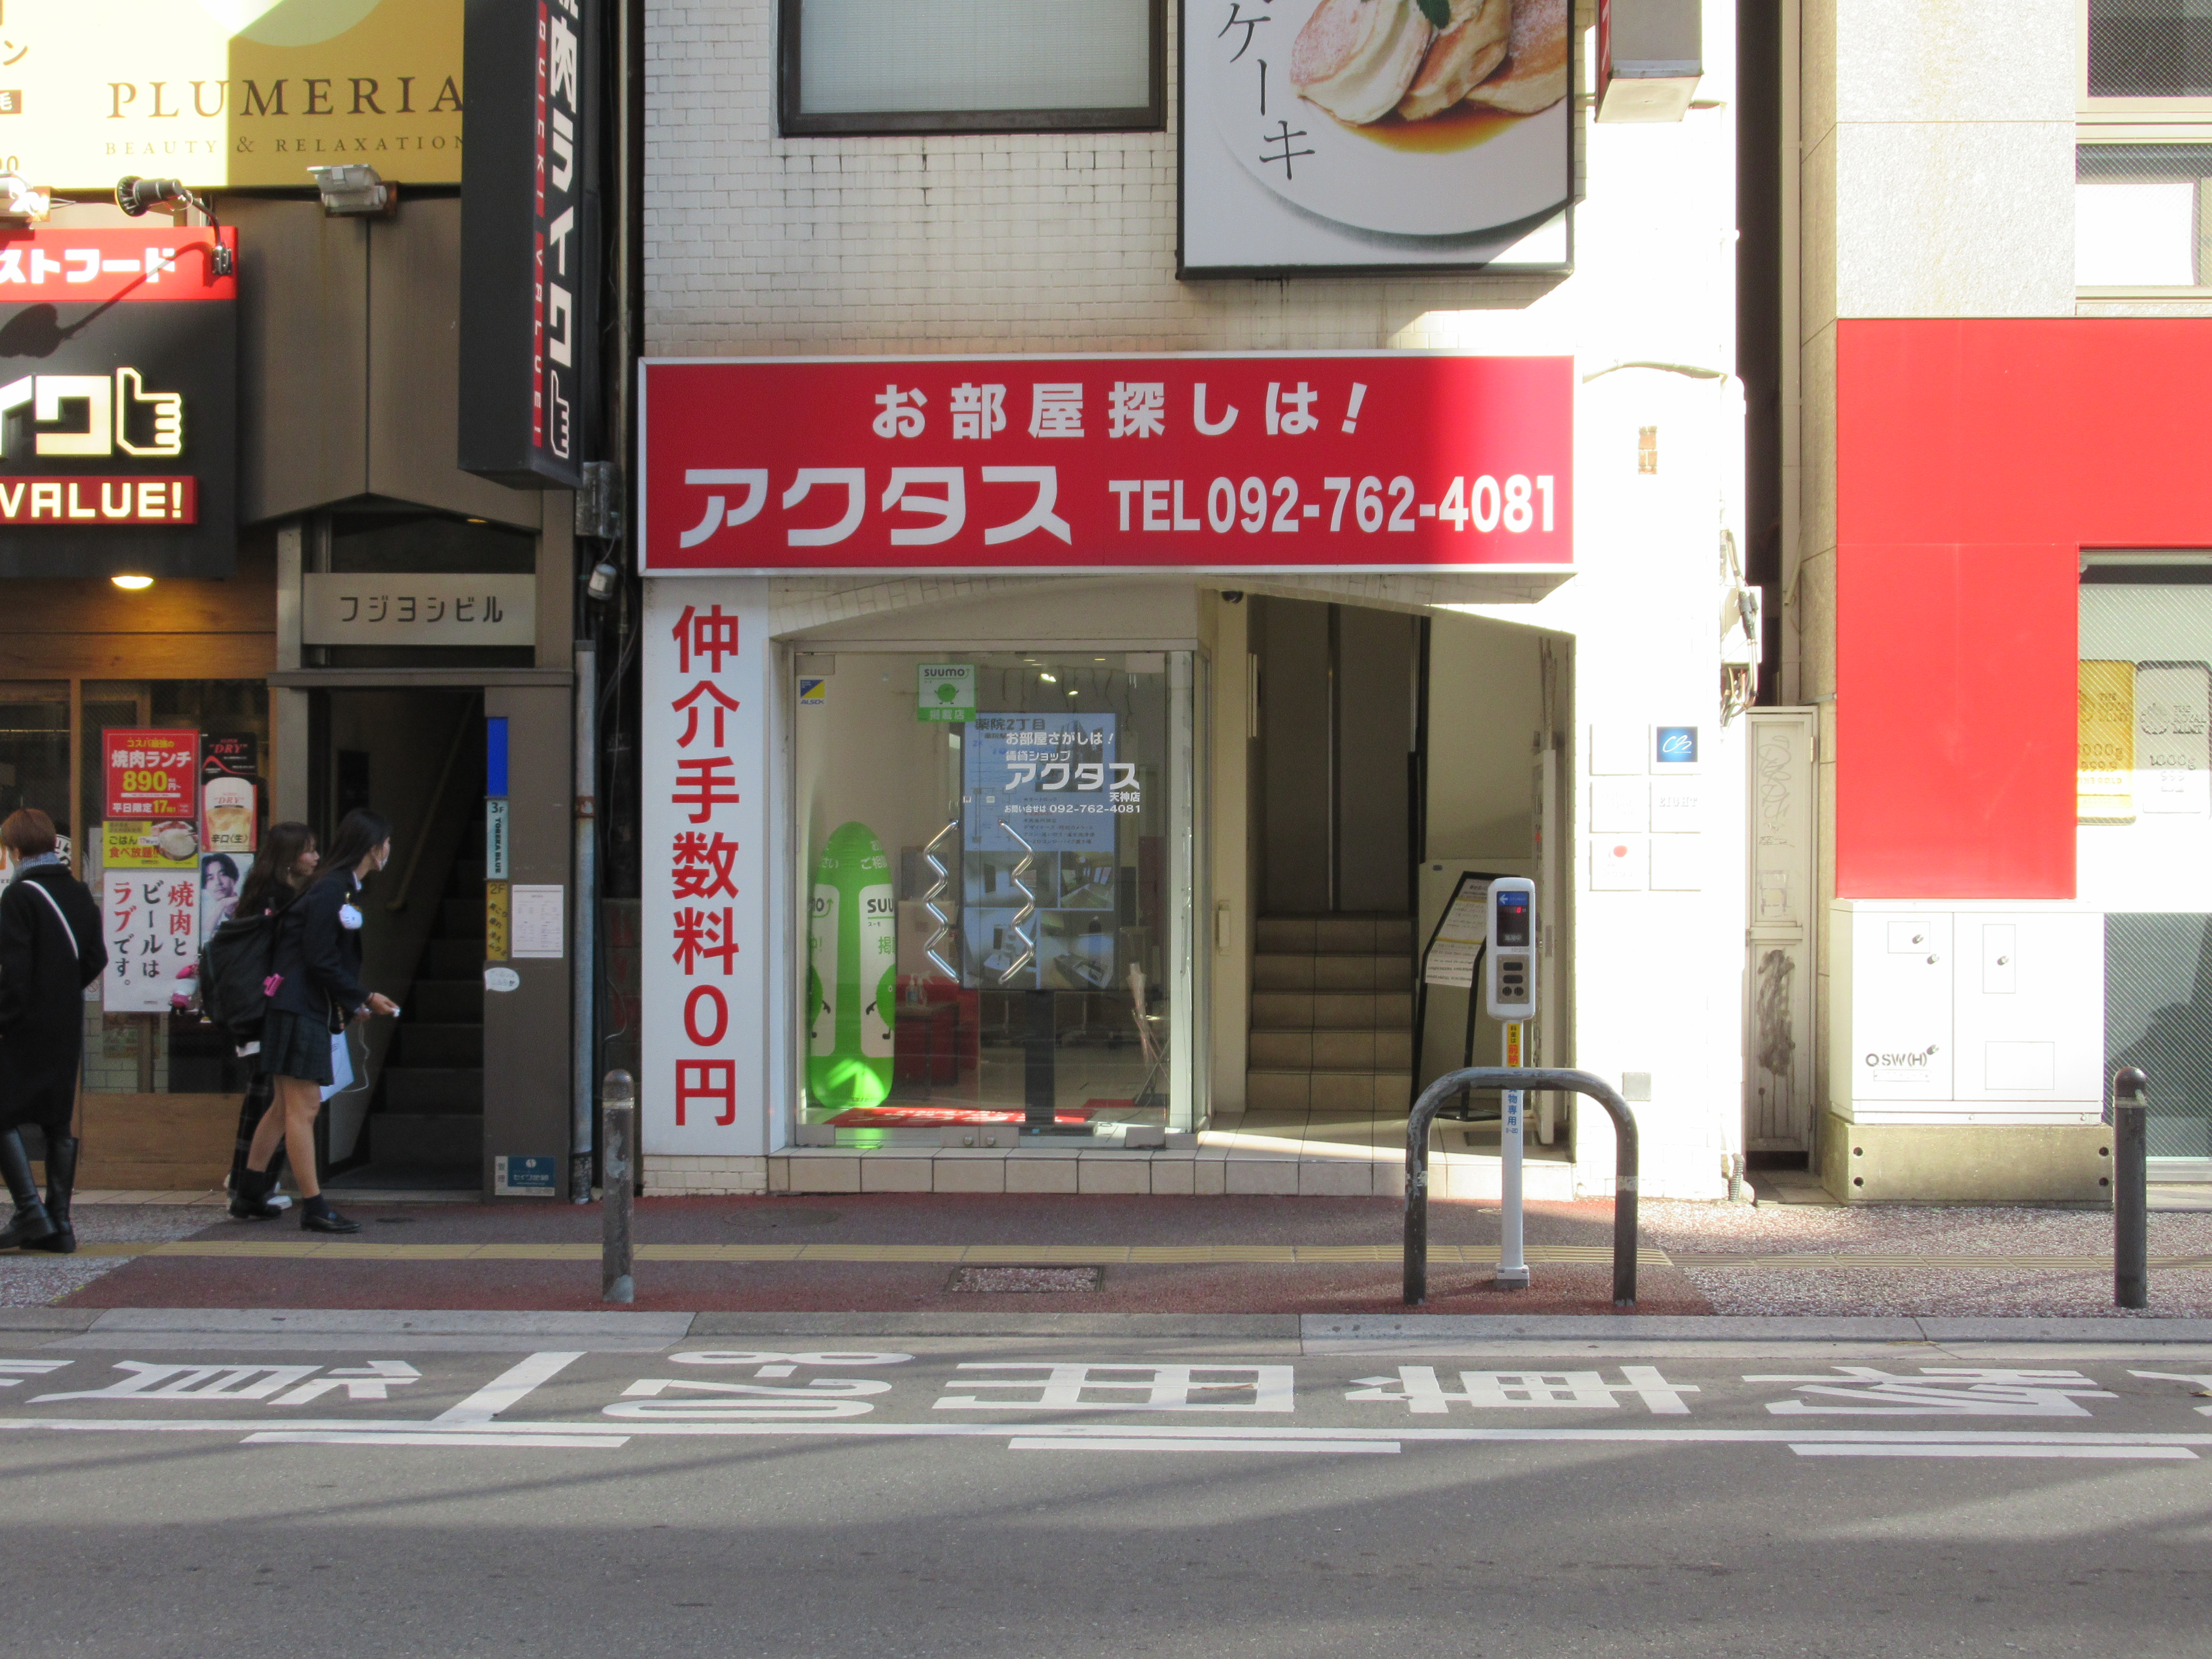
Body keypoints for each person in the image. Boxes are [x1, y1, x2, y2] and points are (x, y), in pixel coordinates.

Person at [233, 809, 399, 1234]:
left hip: (295, 1005)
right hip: (297, 1008)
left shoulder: (337, 886)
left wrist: (352, 1001)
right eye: (387, 843)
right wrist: (363, 996)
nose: (389, 850)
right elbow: (320, 958)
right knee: (303, 1109)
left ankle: (249, 1192)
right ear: (372, 848)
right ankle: (314, 1206)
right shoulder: (331, 889)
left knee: (282, 1108)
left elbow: (320, 958)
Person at [0, 809, 108, 1253]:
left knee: (3, 1114)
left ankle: (30, 1212)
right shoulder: (78, 892)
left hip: (25, 1024)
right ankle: (60, 1223)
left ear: (14, 850)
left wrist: (5, 1018)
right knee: (57, 1119)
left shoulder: (18, 896)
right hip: (66, 1020)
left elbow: (15, 974)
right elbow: (97, 957)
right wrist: (63, 990)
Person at [223, 824, 319, 1221]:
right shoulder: (282, 899)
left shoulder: (256, 892)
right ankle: (253, 1186)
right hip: (271, 1009)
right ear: (290, 857)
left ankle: (250, 1188)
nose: (315, 858)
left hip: (251, 1007)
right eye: (309, 850)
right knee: (276, 1102)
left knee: (271, 1102)